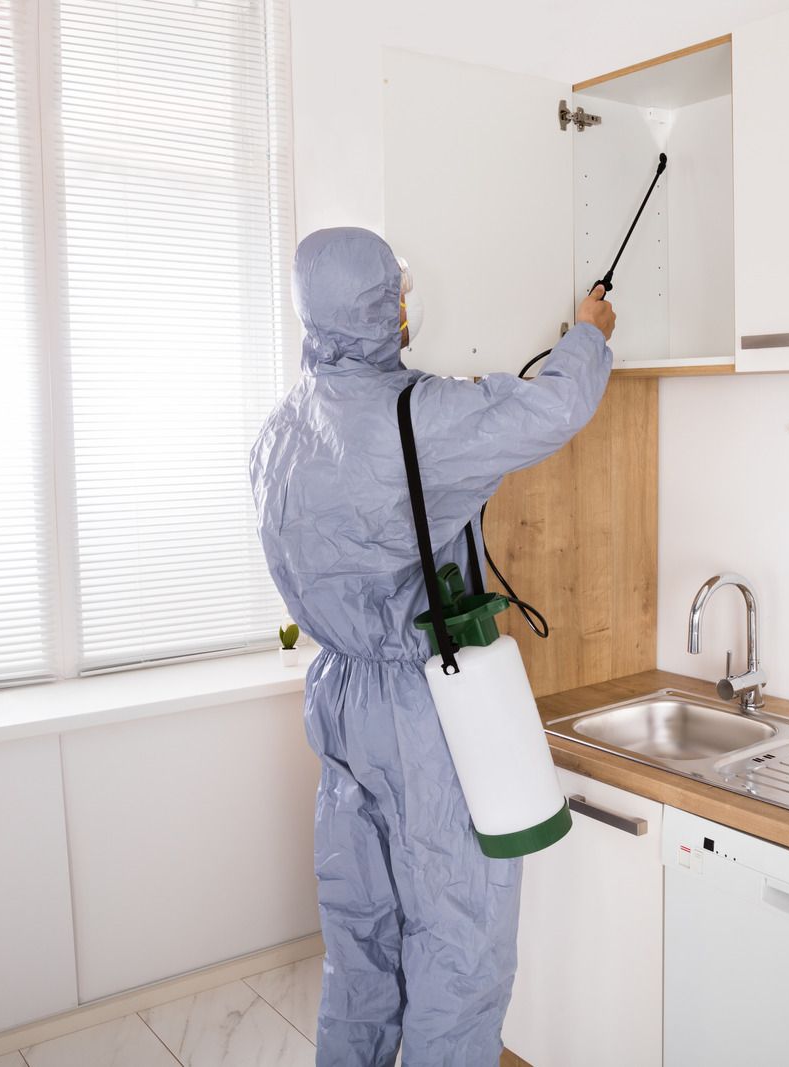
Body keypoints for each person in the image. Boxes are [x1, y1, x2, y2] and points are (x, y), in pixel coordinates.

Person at [249, 226, 616, 1065]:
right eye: (398, 289)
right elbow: (553, 407)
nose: (407, 304)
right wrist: (588, 333)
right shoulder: (420, 418)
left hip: (338, 698)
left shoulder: (282, 428)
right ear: (381, 305)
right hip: (424, 706)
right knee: (458, 942)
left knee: (362, 939)